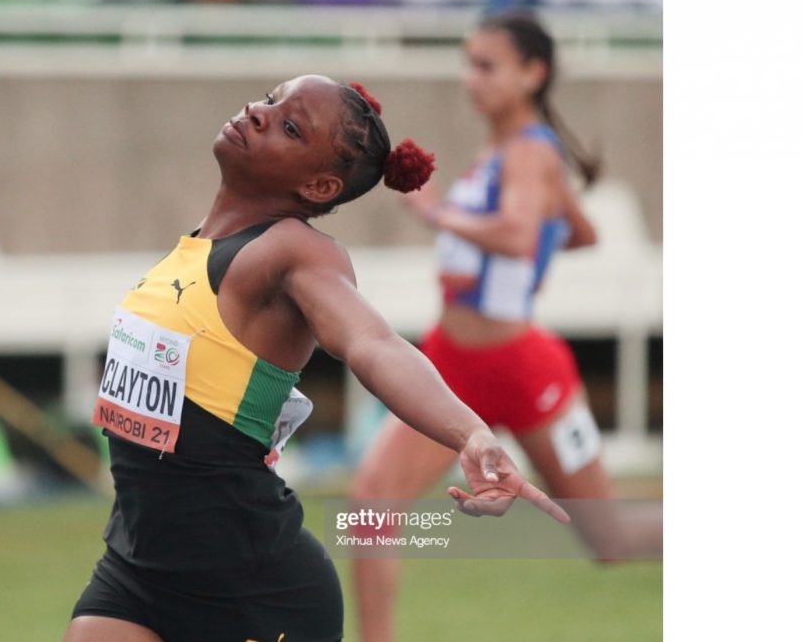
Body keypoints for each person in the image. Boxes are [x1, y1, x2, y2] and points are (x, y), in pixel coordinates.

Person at [64, 74, 569, 642]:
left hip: (255, 591)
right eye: (272, 98)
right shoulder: (189, 250)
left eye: (289, 126)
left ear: (321, 186)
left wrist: (469, 434)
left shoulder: (293, 252)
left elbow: (372, 342)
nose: (257, 112)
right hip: (138, 572)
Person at [349, 11, 662, 642]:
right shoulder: (509, 150)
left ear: (532, 72)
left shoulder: (527, 150)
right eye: (468, 62)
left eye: (487, 65)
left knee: (612, 541)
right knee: (370, 506)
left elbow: (519, 236)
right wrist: (533, 241)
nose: (472, 78)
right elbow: (580, 230)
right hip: (453, 366)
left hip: (520, 369)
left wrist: (437, 216)